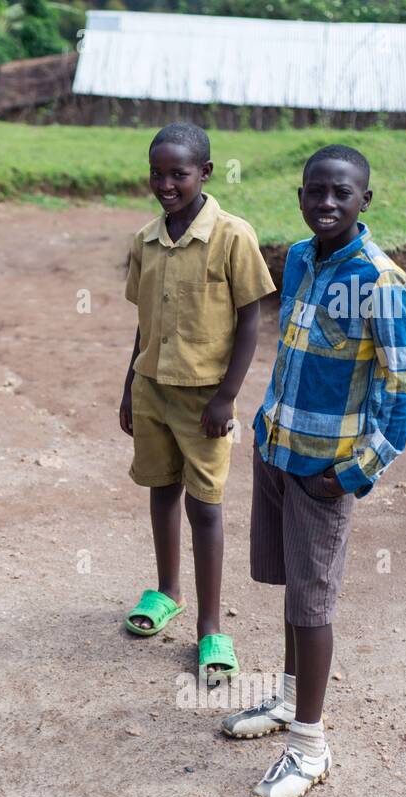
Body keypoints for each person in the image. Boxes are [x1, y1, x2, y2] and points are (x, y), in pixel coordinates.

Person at [227, 144, 406, 797]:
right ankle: (287, 701)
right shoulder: (303, 257)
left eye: (342, 193)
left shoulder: (381, 279)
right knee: (290, 589)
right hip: (278, 450)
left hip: (325, 471)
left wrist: (355, 470)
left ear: (365, 200)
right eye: (316, 191)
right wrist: (263, 429)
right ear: (301, 195)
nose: (327, 203)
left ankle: (309, 746)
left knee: (313, 606)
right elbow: (292, 352)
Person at [119, 123, 276, 684]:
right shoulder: (145, 240)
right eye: (157, 173)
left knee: (205, 506)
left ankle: (211, 625)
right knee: (161, 489)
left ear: (205, 173)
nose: (166, 184)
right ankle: (168, 592)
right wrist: (128, 389)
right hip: (152, 389)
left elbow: (250, 320)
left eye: (179, 174)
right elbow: (143, 325)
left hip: (206, 400)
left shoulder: (233, 236)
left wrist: (227, 396)